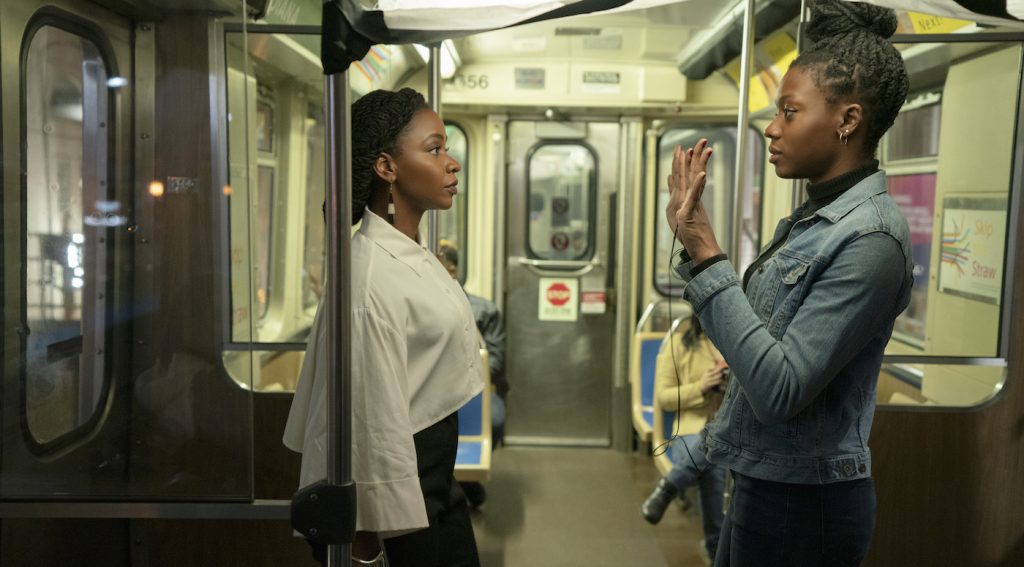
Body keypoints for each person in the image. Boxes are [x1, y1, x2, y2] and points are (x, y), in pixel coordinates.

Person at [664, 1, 913, 565]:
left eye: (790, 113)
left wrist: (705, 250)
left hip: (807, 505)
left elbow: (780, 391)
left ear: (847, 120)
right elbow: (774, 351)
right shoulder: (811, 220)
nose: (772, 129)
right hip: (765, 479)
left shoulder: (871, 240)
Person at [283, 88, 483, 567]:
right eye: (434, 149)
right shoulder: (370, 276)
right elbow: (372, 421)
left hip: (437, 480)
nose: (452, 163)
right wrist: (376, 542)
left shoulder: (411, 252)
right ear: (387, 167)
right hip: (406, 490)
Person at [640, 317, 726, 562]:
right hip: (691, 430)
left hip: (731, 430)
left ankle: (668, 488)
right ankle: (715, 550)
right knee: (711, 460)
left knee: (713, 454)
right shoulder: (680, 344)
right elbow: (664, 398)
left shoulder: (738, 346)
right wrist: (700, 387)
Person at [436, 241, 507, 509]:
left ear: (452, 270)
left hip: (476, 392)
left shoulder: (484, 311)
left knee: (495, 420)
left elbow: (495, 364)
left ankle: (463, 481)